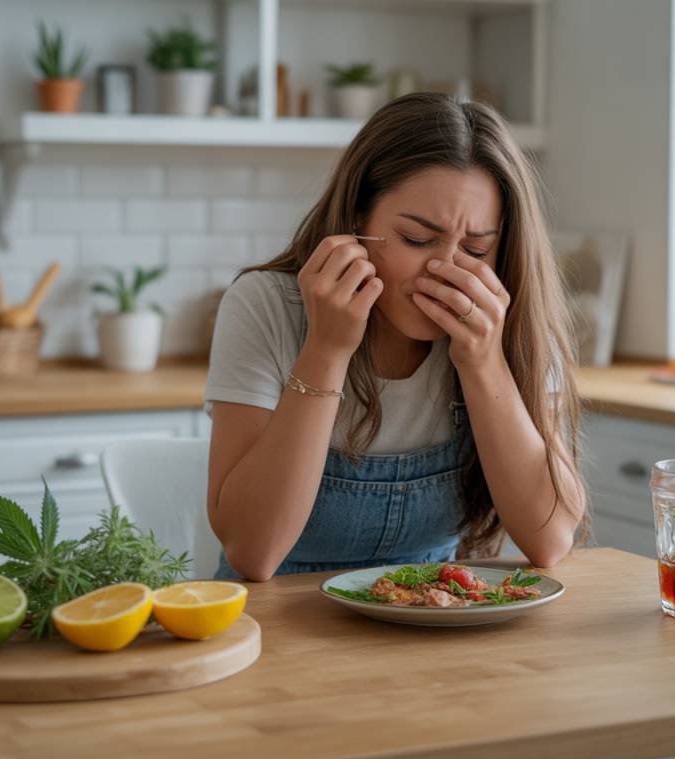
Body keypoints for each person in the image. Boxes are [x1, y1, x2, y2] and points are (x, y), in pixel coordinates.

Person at [204, 92, 586, 582]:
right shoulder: (266, 306)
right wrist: (326, 350)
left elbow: (550, 539)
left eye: (475, 249)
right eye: (417, 240)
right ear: (357, 217)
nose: (445, 270)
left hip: (428, 613)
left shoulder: (508, 317)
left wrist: (483, 362)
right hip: (275, 615)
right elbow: (252, 552)